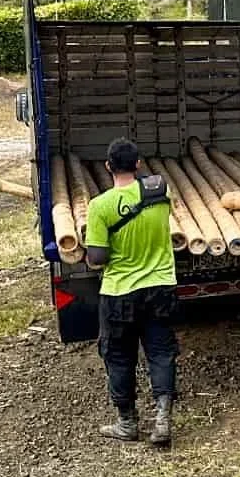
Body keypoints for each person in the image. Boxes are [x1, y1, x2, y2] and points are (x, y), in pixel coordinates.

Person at [83, 137, 179, 448]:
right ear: (138, 164)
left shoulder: (100, 206)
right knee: (162, 352)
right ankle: (163, 419)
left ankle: (127, 423)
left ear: (108, 167)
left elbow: (97, 258)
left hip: (119, 292)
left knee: (120, 357)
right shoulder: (160, 191)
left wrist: (90, 252)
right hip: (160, 285)